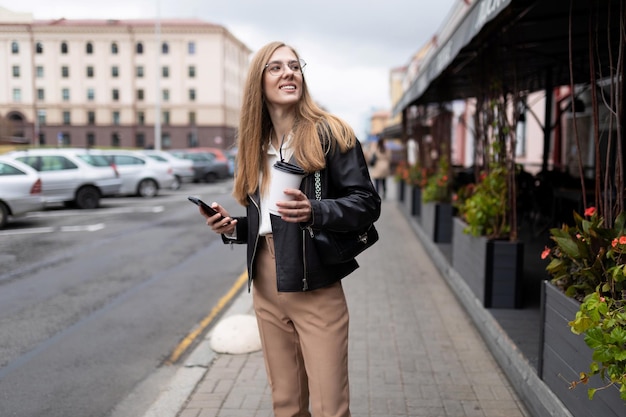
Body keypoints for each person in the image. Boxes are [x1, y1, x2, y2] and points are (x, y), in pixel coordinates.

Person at [197, 41, 381, 417]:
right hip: (265, 279)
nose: (289, 73)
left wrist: (315, 210)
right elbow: (266, 221)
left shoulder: (331, 133)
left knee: (330, 406)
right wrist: (232, 227)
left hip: (315, 282)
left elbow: (367, 203)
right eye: (276, 67)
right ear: (259, 81)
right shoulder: (253, 144)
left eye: (295, 66)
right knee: (287, 403)